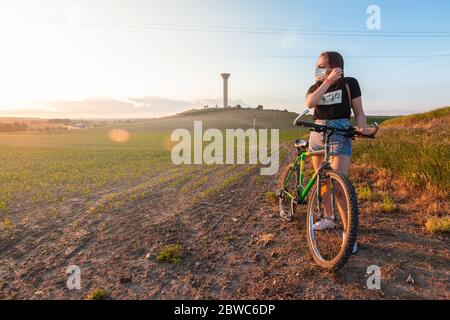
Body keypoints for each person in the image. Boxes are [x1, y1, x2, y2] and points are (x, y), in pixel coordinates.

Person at [305, 51, 376, 253]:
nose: (317, 68)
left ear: (335, 66)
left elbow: (359, 112)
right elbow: (310, 103)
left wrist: (362, 127)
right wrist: (326, 81)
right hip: (317, 132)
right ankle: (328, 218)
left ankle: (348, 233)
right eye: (316, 65)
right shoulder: (315, 87)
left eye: (322, 64)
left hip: (340, 132)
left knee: (339, 184)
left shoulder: (350, 83)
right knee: (322, 181)